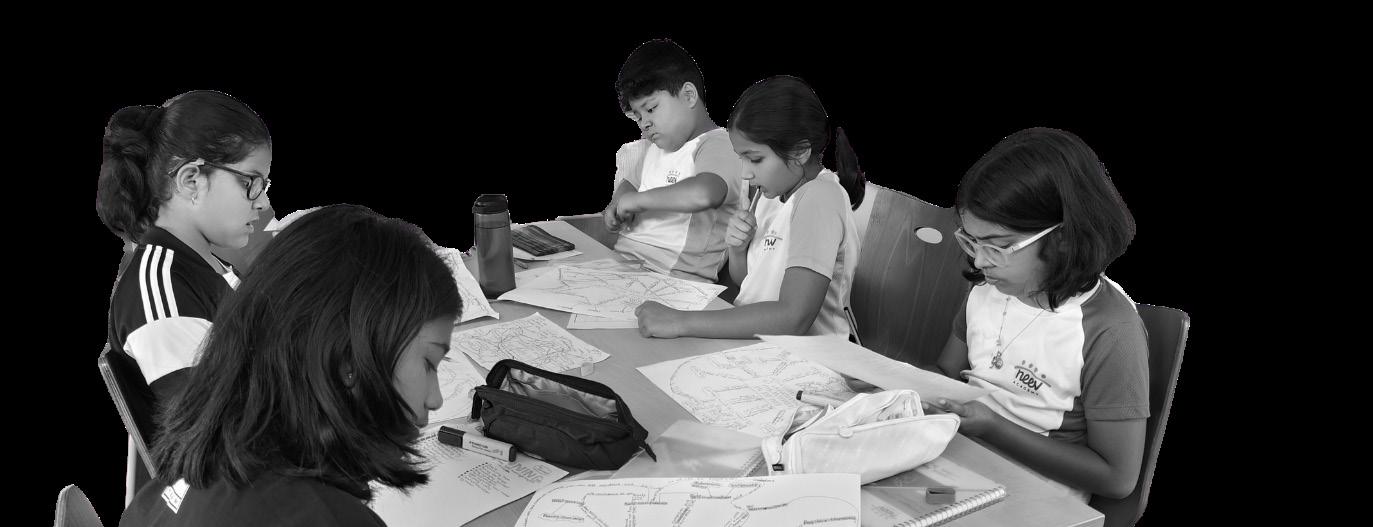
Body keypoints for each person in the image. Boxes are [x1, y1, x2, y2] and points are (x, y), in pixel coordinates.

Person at [120, 204, 462, 526]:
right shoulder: (323, 518)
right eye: (429, 363)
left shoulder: (198, 460)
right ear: (349, 361)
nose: (435, 399)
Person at [928, 127, 1148, 500]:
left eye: (997, 247)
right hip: (961, 461)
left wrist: (993, 428)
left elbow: (1117, 479)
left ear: (1062, 238)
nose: (979, 261)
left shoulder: (1110, 332)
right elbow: (947, 373)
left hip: (1039, 494)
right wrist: (889, 387)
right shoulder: (988, 289)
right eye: (971, 241)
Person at [635, 75, 864, 339]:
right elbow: (748, 282)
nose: (745, 173)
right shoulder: (770, 194)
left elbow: (793, 318)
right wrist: (738, 250)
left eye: (755, 159)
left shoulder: (820, 197)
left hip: (806, 357)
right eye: (741, 158)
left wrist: (680, 322)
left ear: (800, 152)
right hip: (758, 345)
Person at [603, 38, 747, 283]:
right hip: (625, 266)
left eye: (651, 109)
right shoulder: (653, 149)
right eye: (638, 116)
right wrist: (616, 205)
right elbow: (630, 184)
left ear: (688, 95)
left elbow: (705, 193)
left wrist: (636, 201)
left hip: (676, 280)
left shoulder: (718, 143)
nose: (644, 123)